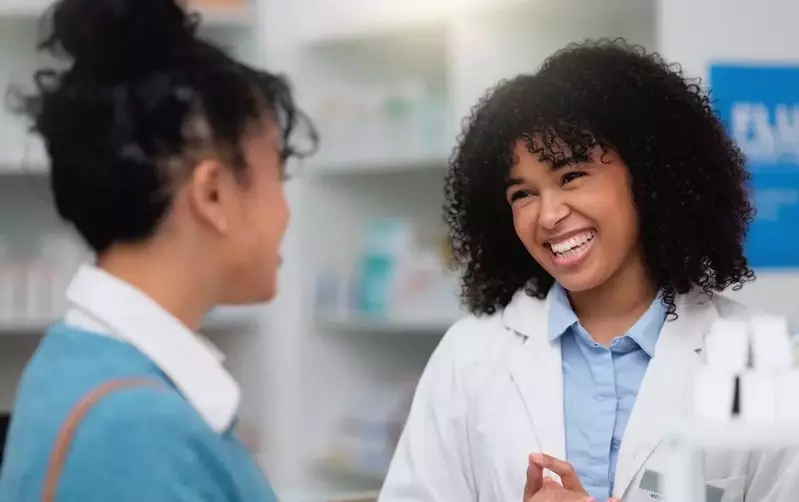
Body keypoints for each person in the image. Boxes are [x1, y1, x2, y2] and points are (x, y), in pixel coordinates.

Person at [379, 39, 799, 502]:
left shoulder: (761, 358)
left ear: (648, 172)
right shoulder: (470, 357)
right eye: (523, 194)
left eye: (570, 176)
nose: (548, 214)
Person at [0, 0, 316, 500]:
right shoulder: (132, 431)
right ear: (212, 194)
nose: (286, 213)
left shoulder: (88, 368)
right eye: (277, 175)